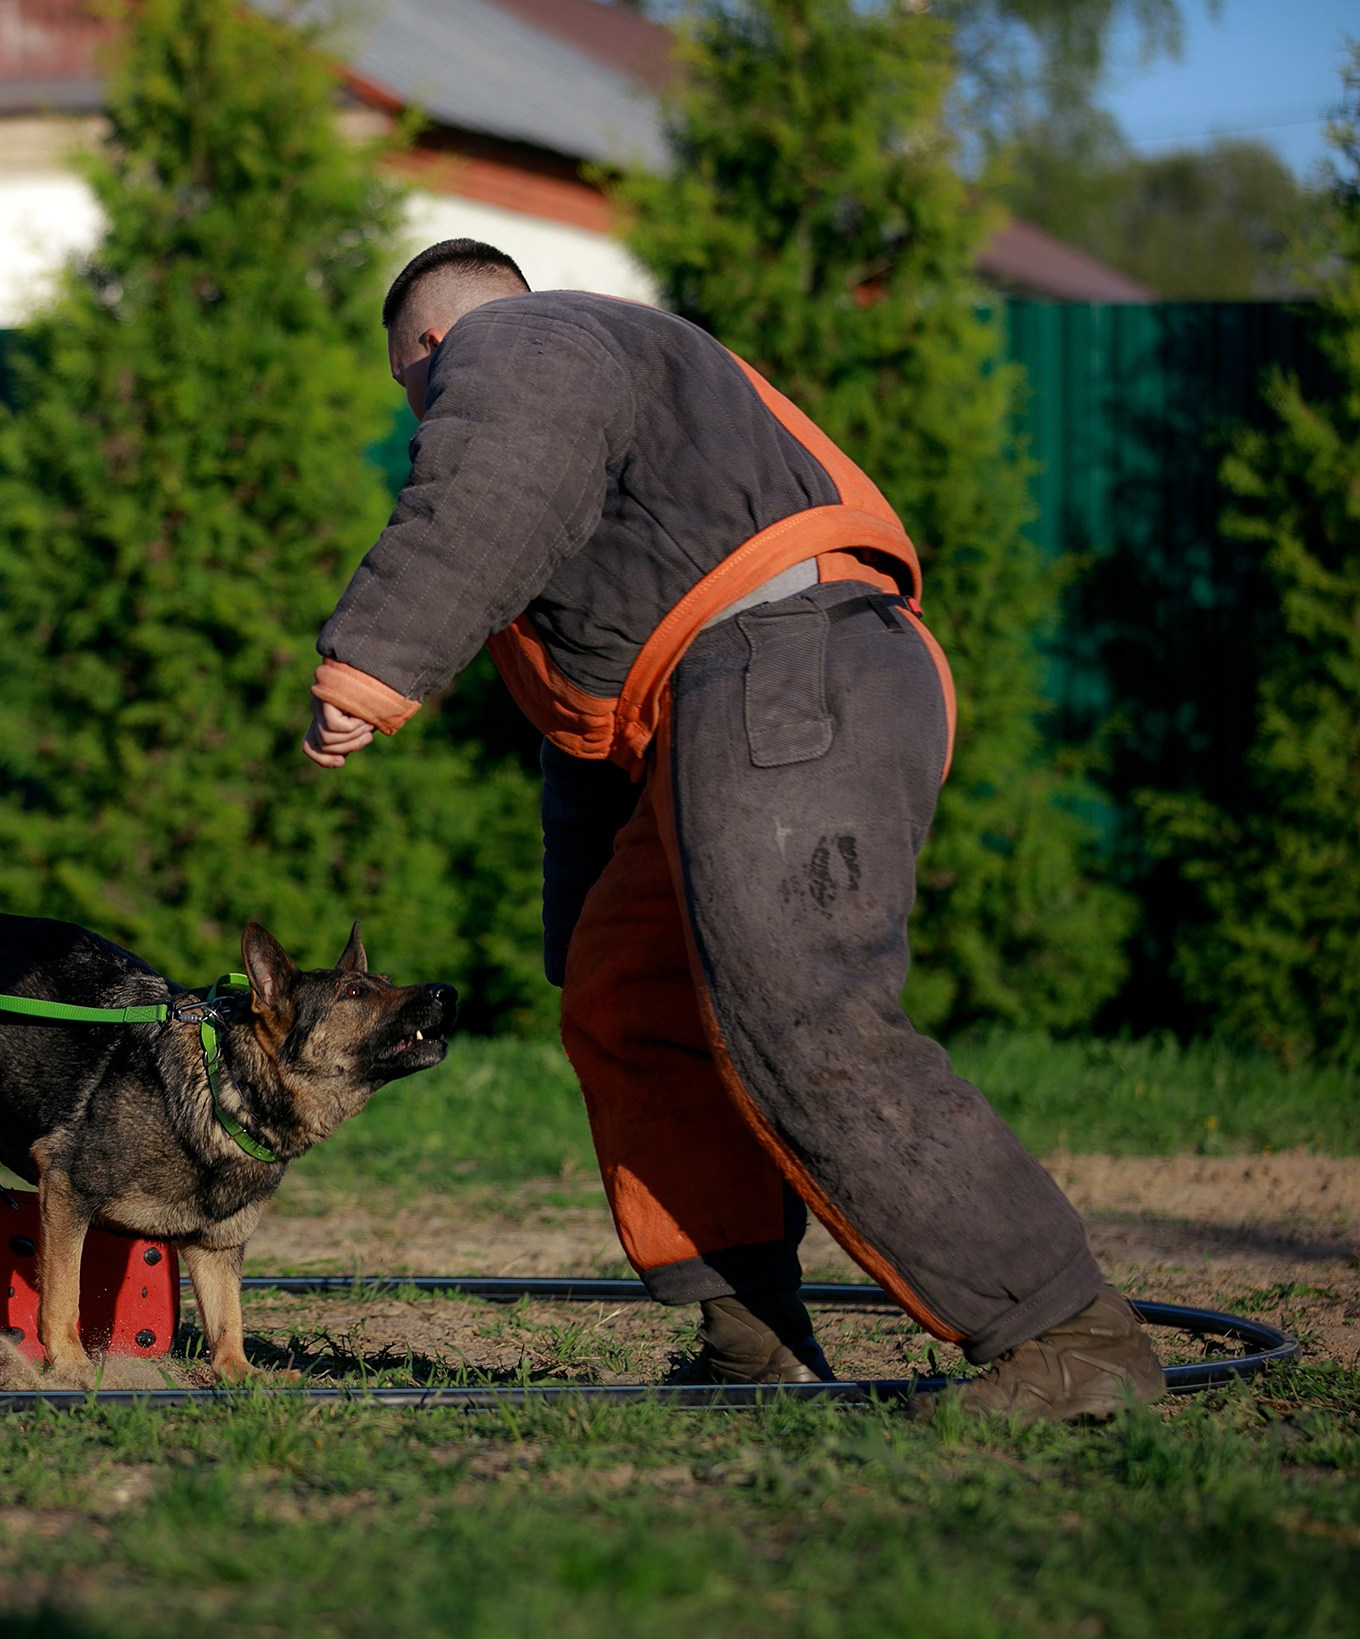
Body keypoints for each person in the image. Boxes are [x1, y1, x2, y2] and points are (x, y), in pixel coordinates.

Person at [302, 240, 1163, 1422]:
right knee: (630, 1001)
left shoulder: (524, 341)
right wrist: (578, 936)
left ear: (436, 344)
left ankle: (1070, 1338)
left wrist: (365, 673)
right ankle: (754, 1344)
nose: (424, 412)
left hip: (786, 663)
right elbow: (593, 726)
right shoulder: (612, 395)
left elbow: (484, 490)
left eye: (413, 384)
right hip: (733, 688)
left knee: (807, 1008)